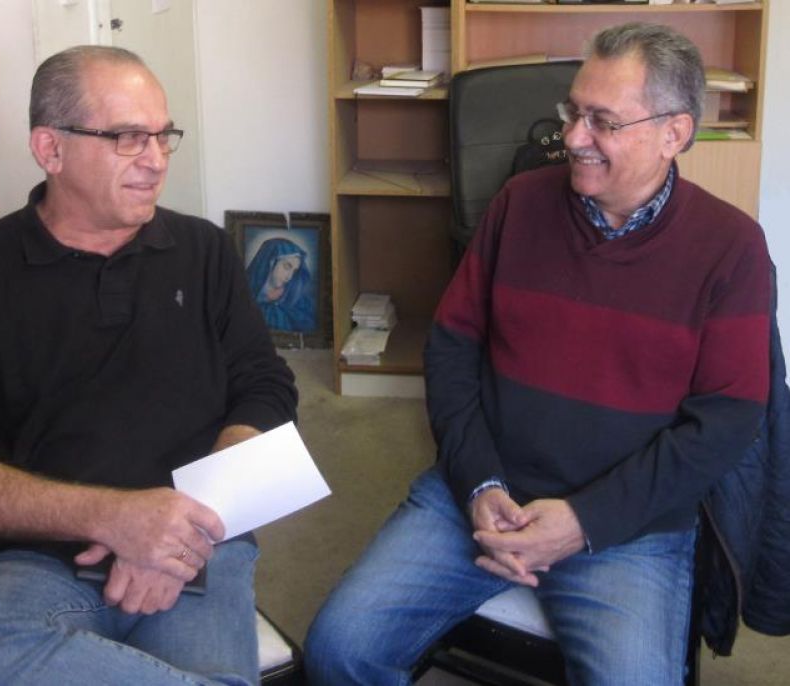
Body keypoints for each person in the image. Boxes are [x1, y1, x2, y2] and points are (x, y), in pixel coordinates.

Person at [305, 22, 771, 686]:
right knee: (338, 648)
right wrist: (478, 482)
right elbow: (452, 348)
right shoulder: (518, 204)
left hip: (627, 529)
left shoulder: (731, 248)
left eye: (603, 121)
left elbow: (726, 422)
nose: (572, 138)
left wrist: (585, 521)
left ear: (674, 133)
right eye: (572, 112)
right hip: (484, 497)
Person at [0, 45, 297, 686]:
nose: (156, 159)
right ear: (50, 149)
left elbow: (265, 388)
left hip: (198, 544)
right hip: (37, 561)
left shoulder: (204, 251)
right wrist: (114, 517)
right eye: (128, 137)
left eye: (164, 136)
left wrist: (177, 531)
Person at [246, 237, 314, 332]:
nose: (289, 276)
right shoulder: (245, 294)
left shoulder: (298, 302)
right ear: (271, 262)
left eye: (294, 271)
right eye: (287, 266)